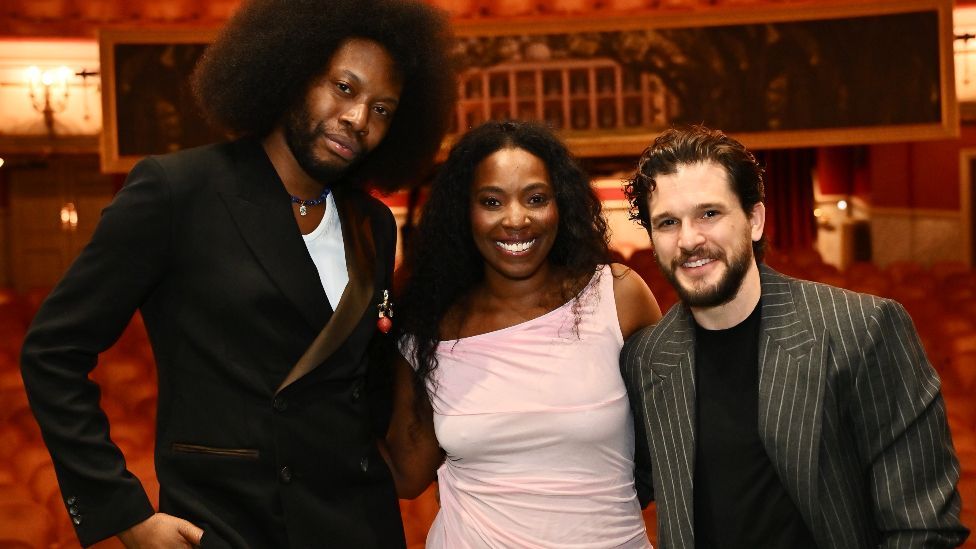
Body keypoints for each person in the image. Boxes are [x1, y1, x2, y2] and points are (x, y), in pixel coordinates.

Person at [19, 0, 456, 547]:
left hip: (358, 523)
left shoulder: (372, 223)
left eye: (383, 109)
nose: (359, 119)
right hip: (229, 524)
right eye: (344, 88)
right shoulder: (179, 191)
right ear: (291, 71)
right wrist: (124, 512)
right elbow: (53, 352)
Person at [620, 124, 970, 548]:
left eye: (709, 214)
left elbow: (922, 527)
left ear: (754, 220)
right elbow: (610, 490)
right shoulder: (646, 358)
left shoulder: (864, 330)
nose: (689, 239)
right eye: (668, 222)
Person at [382, 120, 662, 547]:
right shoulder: (429, 329)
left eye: (535, 199)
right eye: (492, 201)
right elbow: (406, 473)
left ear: (561, 204)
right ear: (465, 212)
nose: (516, 219)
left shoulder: (617, 297)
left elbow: (673, 439)